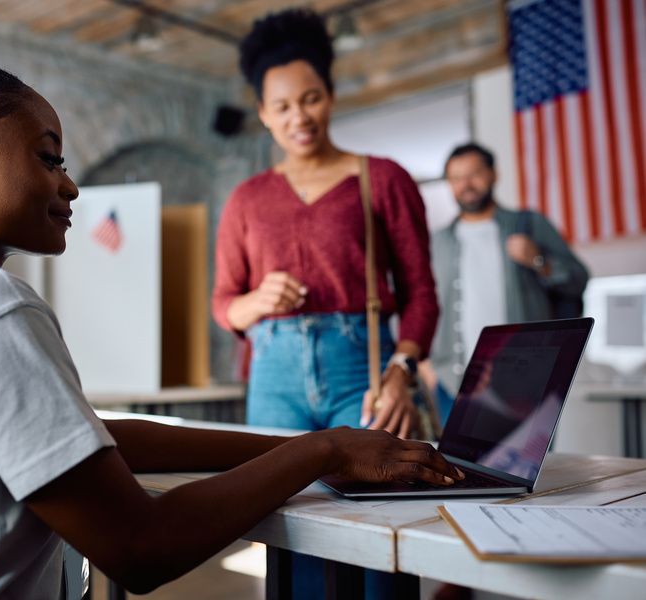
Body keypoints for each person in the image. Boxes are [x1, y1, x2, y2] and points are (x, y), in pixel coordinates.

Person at [0, 43, 462, 599]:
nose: (71, 184)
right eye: (47, 157)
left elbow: (91, 440)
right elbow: (142, 548)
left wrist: (310, 441)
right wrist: (324, 452)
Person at [210, 8, 440, 598]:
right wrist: (256, 301)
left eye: (310, 99)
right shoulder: (245, 199)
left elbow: (420, 294)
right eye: (282, 107)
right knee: (290, 530)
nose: (298, 117)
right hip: (274, 374)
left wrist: (401, 372)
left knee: (380, 524)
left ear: (331, 96)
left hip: (359, 368)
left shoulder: (381, 179)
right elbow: (223, 305)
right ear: (262, 113)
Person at [423, 142, 590, 413]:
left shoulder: (529, 224)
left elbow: (578, 280)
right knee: (451, 458)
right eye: (456, 178)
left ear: (493, 174)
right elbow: (422, 304)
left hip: (526, 381)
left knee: (529, 456)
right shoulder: (437, 242)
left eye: (474, 173)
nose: (466, 184)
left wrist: (539, 260)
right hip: (454, 382)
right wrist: (426, 366)